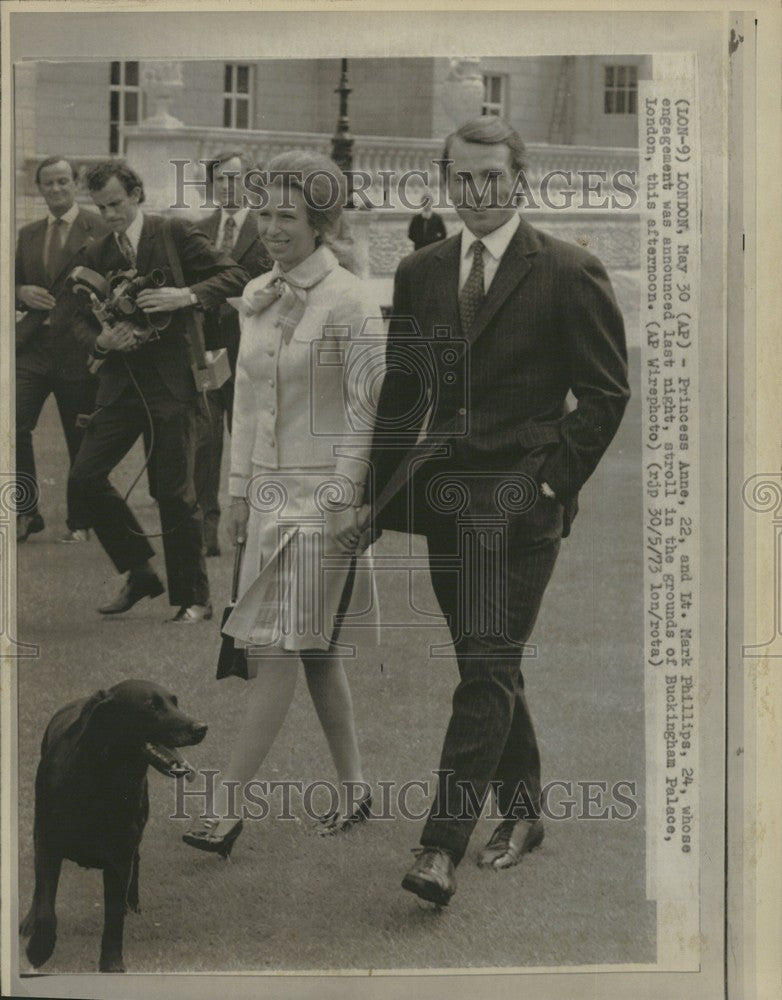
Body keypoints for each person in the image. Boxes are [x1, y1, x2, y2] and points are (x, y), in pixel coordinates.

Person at [365, 115, 630, 905]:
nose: (476, 193)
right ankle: (524, 812)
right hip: (447, 505)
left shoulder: (569, 270)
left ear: (519, 178)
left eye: (491, 177)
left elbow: (607, 393)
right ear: (445, 181)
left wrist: (551, 483)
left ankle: (438, 847)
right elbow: (403, 390)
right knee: (489, 665)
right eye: (461, 177)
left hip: (523, 510)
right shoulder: (421, 271)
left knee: (484, 667)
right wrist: (375, 498)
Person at [182, 151, 385, 856]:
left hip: (324, 499)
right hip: (267, 496)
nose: (271, 228)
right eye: (264, 212)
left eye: (286, 216)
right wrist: (235, 497)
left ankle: (225, 807)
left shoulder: (353, 300)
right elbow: (244, 402)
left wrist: (344, 498)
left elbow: (367, 410)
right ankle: (357, 790)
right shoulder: (260, 292)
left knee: (275, 648)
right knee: (317, 650)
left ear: (323, 223)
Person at [67, 161, 248, 622]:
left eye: (115, 204)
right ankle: (140, 570)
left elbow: (235, 276)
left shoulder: (175, 233)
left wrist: (183, 296)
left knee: (173, 490)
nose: (109, 214)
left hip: (173, 383)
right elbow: (76, 319)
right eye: (100, 206)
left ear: (136, 193)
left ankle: (194, 599)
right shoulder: (97, 250)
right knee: (84, 478)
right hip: (121, 385)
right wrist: (102, 341)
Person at [15, 156, 109, 544]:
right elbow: (10, 282)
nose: (55, 189)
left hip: (78, 349)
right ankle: (25, 512)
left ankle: (81, 521)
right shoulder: (29, 233)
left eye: (63, 182)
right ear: (39, 188)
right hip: (33, 349)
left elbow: (114, 287)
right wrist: (20, 292)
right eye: (48, 184)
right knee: (13, 426)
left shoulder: (99, 229)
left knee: (80, 437)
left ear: (76, 184)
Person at [194, 149, 272, 557]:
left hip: (251, 353)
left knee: (249, 440)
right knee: (205, 441)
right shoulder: (199, 229)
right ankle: (206, 526)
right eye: (221, 180)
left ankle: (254, 525)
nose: (228, 186)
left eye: (235, 179)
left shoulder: (267, 229)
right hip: (209, 355)